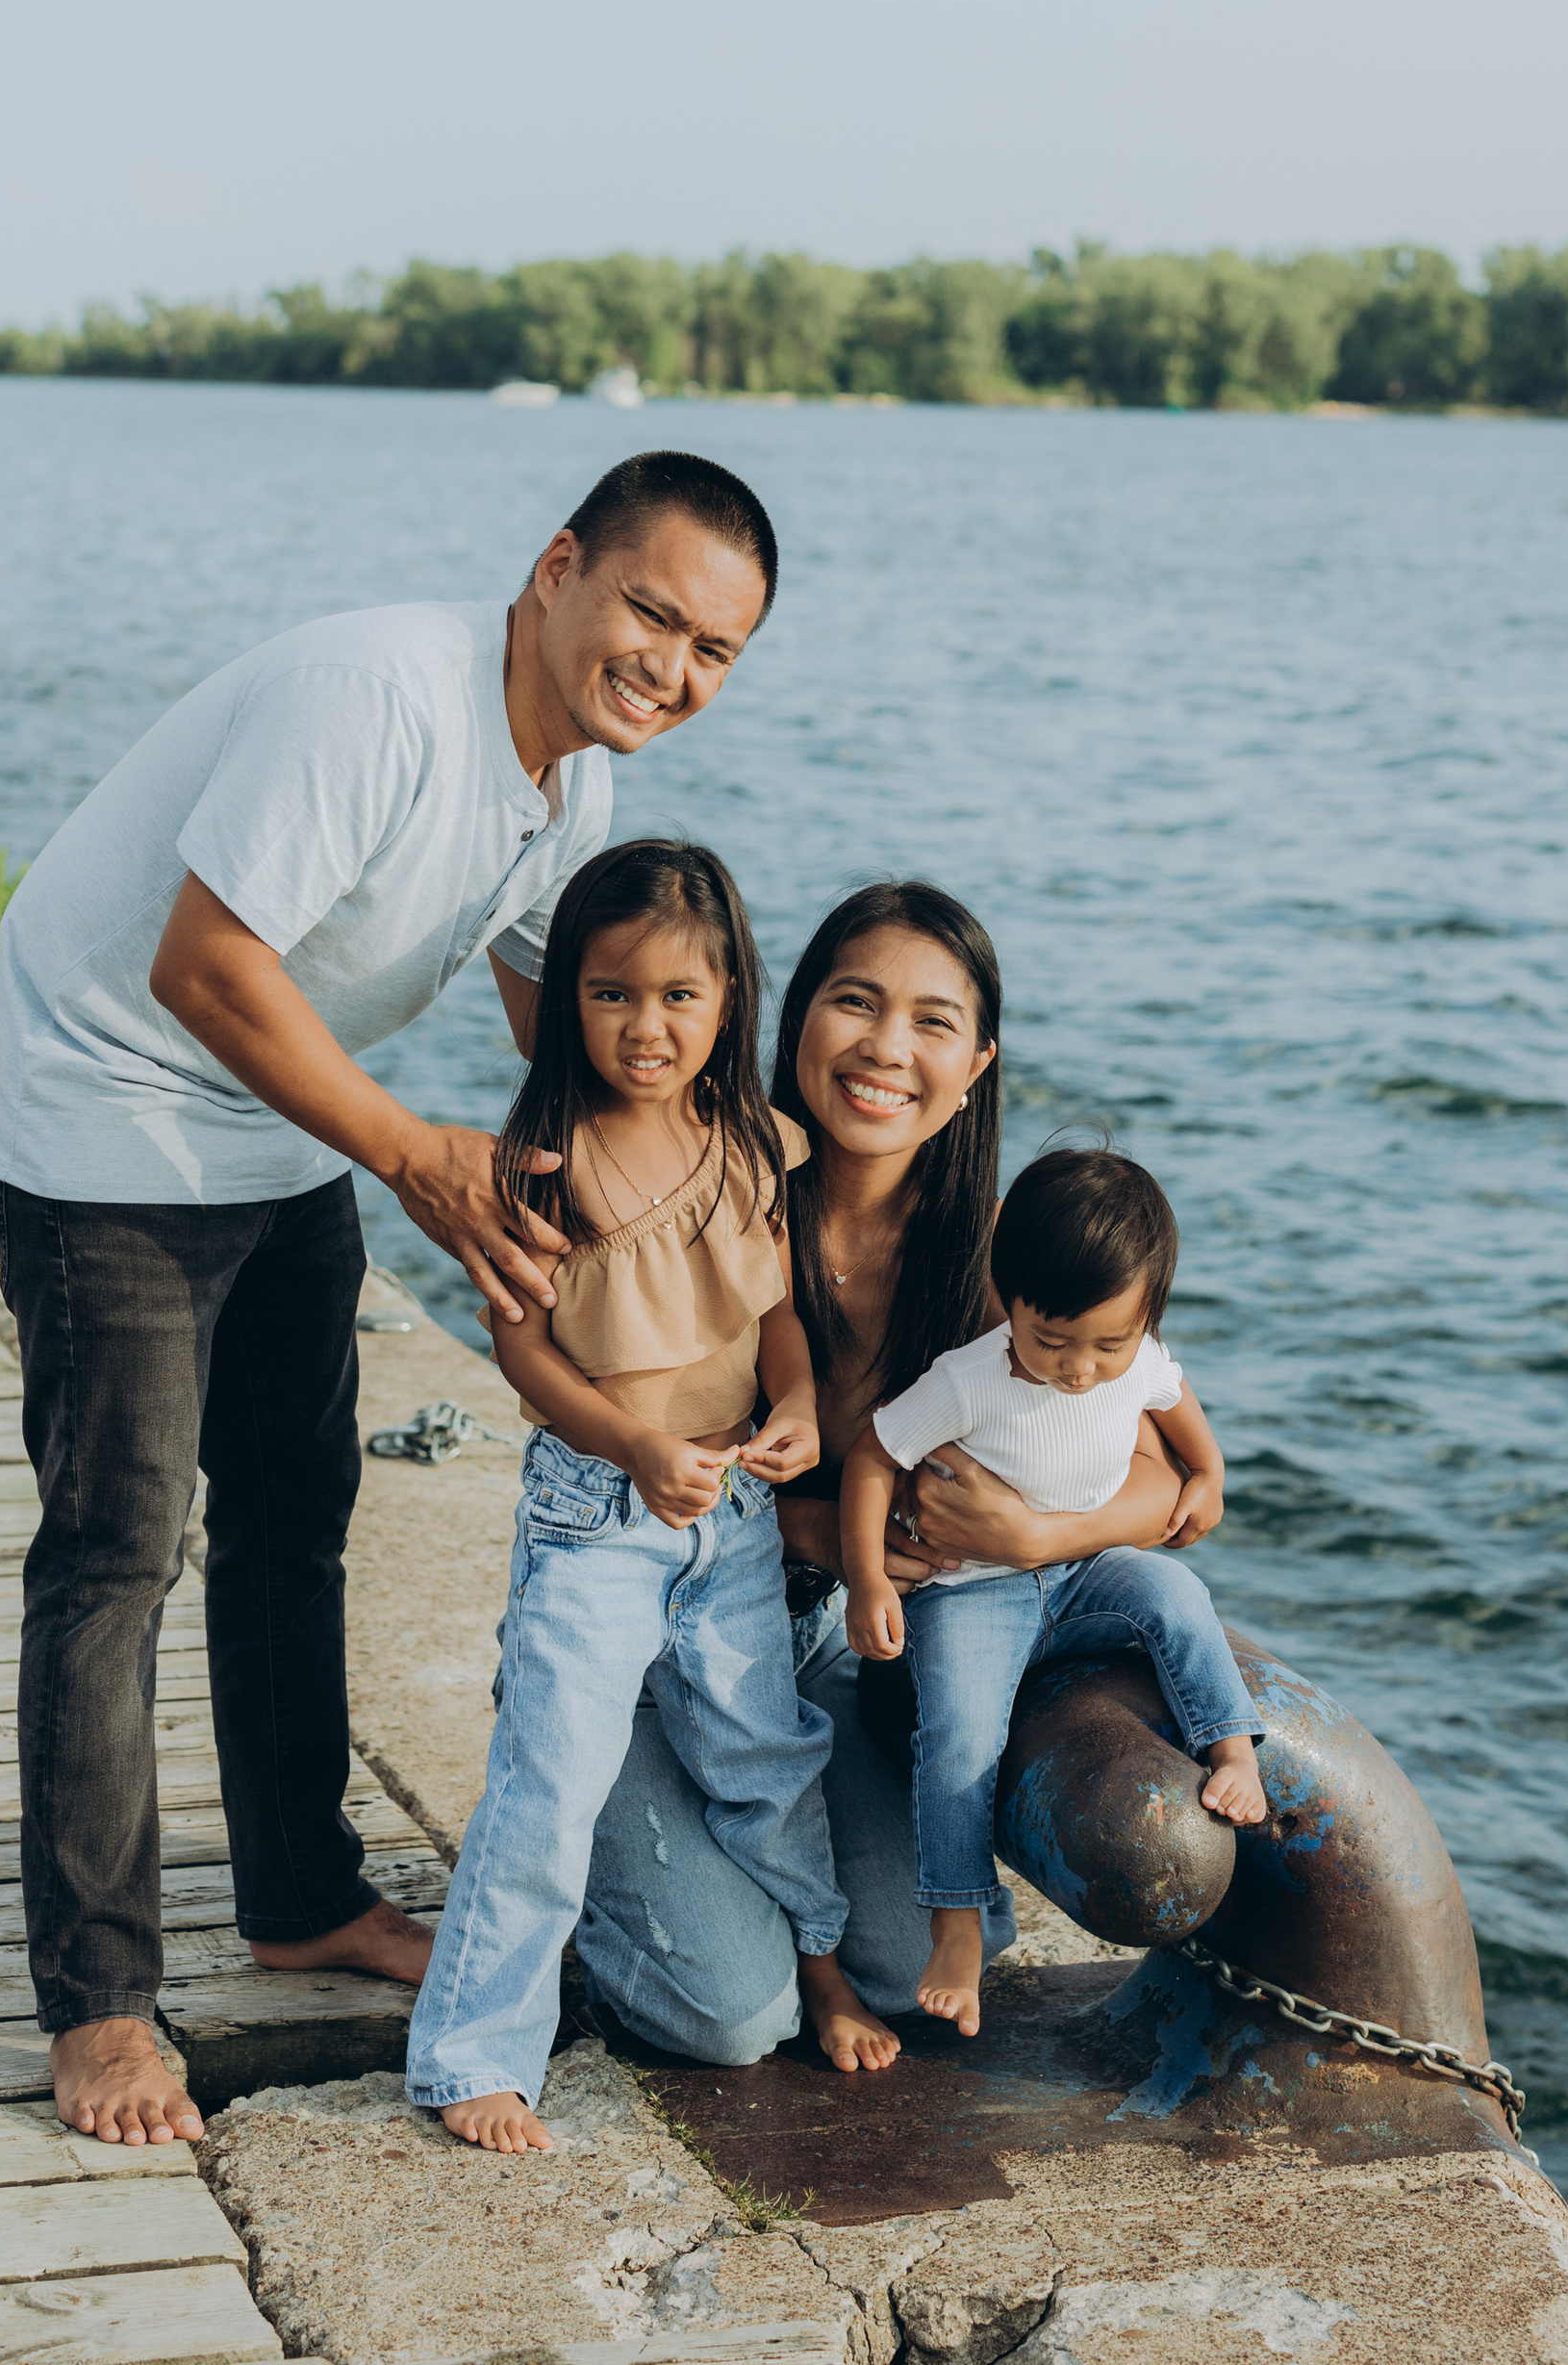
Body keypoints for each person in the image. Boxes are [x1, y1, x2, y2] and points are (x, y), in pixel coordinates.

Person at [0, 451, 778, 2149]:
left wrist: (700, 1193)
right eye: (651, 610)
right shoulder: (382, 698)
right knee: (119, 1547)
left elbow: (559, 1025)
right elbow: (201, 965)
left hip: (267, 1111)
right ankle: (99, 2003)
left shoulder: (577, 793)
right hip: (100, 1098)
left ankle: (301, 1897)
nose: (673, 668)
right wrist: (416, 1157)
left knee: (294, 1508)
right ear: (559, 569)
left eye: (716, 651)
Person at [573, 880, 1209, 2059]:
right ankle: (606, 1882)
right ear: (793, 1021)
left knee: (917, 1966)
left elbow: (1163, 1484)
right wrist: (814, 1532)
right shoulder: (704, 1191)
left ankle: (736, 1887)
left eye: (932, 1022)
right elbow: (611, 1462)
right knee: (730, 2016)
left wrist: (1032, 1540)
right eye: (853, 1003)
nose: (885, 1048)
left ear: (976, 1066)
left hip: (847, 1661)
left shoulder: (1004, 1253)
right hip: (660, 1637)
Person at [404, 840, 897, 2151]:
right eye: (613, 993)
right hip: (596, 1514)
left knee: (765, 1754)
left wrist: (793, 1408)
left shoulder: (747, 1144)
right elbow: (522, 1354)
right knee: (548, 1779)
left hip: (728, 1511)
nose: (646, 1026)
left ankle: (821, 1962)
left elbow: (777, 1313)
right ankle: (474, 2056)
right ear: (568, 994)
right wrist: (629, 1444)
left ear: (732, 997)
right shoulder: (545, 1159)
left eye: (681, 996)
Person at [841, 1142, 1267, 2035]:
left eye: (1106, 1344)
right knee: (957, 1729)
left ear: (1145, 1316)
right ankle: (956, 1917)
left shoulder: (1137, 1356)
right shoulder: (970, 1378)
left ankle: (1230, 1747)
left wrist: (1209, 1472)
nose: (1079, 1369)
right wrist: (868, 1577)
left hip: (1081, 1577)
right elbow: (876, 1455)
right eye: (1053, 1341)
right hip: (974, 1594)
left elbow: (1175, 1399)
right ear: (1010, 1297)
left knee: (1175, 1592)